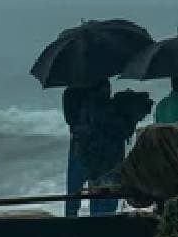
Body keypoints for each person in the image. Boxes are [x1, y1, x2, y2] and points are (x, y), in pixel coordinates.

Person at [64, 81, 152, 216]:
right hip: (109, 160)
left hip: (82, 153)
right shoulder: (114, 108)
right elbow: (124, 130)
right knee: (105, 206)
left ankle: (70, 228)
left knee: (74, 200)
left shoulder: (74, 97)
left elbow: (72, 121)